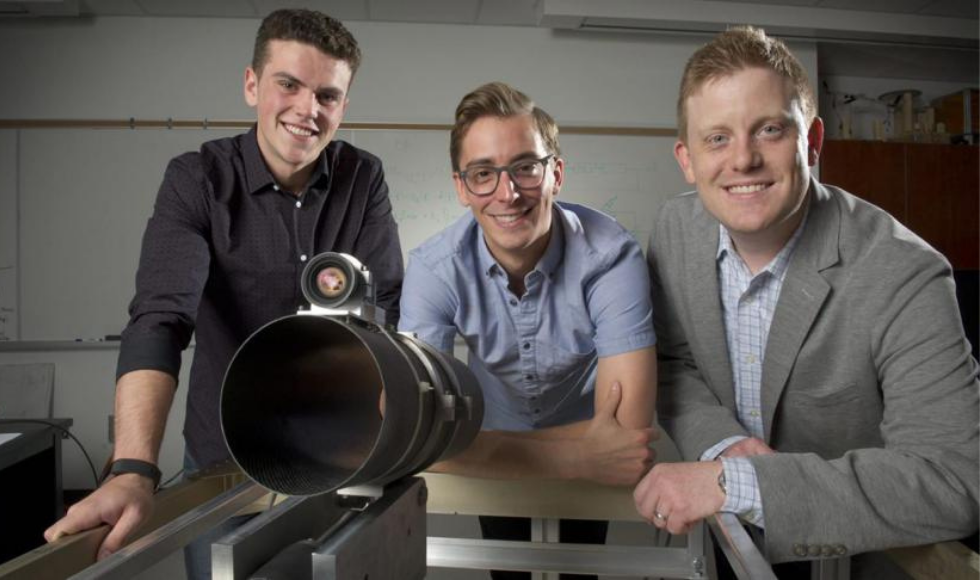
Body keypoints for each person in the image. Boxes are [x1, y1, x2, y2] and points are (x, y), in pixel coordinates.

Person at [44, 9, 404, 579]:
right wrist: (133, 469)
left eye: (328, 96)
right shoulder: (197, 180)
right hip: (222, 457)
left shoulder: (364, 178)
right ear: (252, 85)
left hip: (338, 456)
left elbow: (382, 316)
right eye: (289, 84)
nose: (308, 110)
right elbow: (160, 319)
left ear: (343, 106)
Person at [633, 25, 979, 577]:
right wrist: (723, 446)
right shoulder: (676, 228)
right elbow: (675, 361)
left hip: (849, 550)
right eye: (717, 138)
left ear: (812, 141)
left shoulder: (904, 273)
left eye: (768, 130)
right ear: (687, 159)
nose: (742, 160)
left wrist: (735, 482)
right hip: (723, 533)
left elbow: (956, 480)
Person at [398, 81, 658, 580]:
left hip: (501, 450)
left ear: (556, 173)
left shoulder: (613, 256)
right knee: (508, 571)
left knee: (579, 571)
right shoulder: (434, 268)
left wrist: (473, 449)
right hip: (549, 444)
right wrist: (581, 455)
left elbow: (627, 435)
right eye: (483, 174)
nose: (507, 193)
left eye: (525, 167)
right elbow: (420, 431)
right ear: (461, 187)